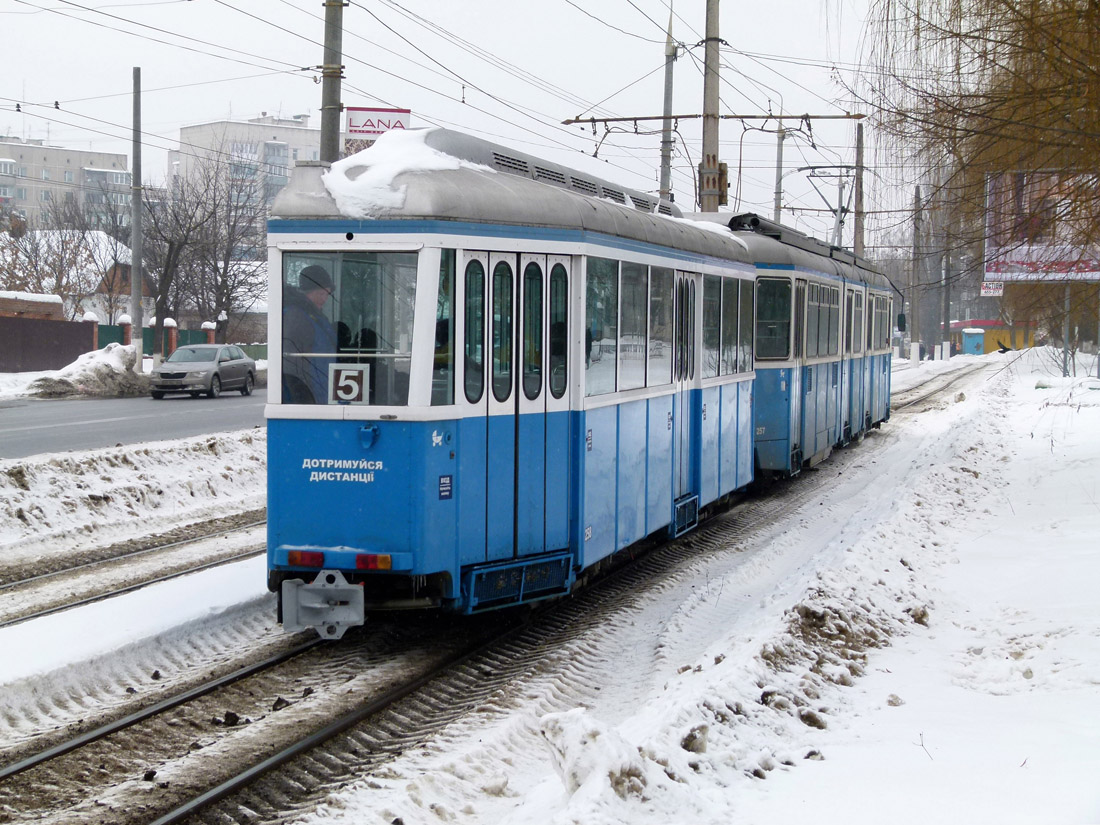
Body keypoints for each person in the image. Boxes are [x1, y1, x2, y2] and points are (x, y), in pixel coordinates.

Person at [282, 264, 337, 404]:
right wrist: (303, 396)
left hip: (320, 388)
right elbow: (292, 363)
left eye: (327, 294)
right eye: (321, 294)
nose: (324, 299)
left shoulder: (313, 315)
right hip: (309, 393)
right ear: (307, 291)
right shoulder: (296, 317)